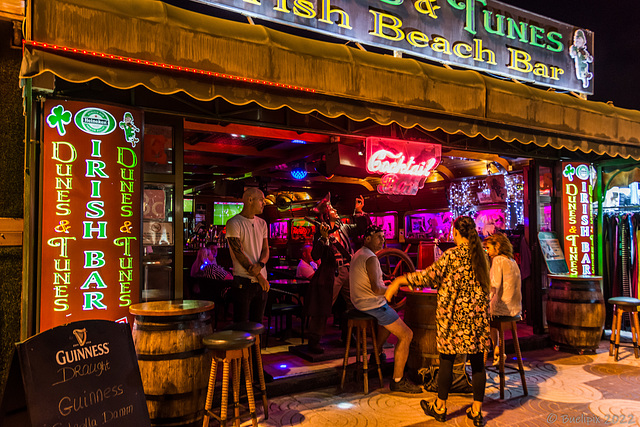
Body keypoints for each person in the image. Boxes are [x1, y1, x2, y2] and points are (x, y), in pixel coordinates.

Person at [390, 216, 490, 426]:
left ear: (455, 233)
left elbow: (427, 277)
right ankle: (477, 411)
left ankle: (440, 407)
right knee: (478, 365)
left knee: (446, 362)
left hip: (453, 319)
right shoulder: (481, 257)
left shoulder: (452, 255)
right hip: (477, 319)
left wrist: (400, 279)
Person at [350, 225, 422, 394]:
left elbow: (374, 285)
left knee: (388, 319)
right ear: (367, 239)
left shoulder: (359, 254)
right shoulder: (371, 258)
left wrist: (387, 286)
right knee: (406, 335)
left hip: (359, 303)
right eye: (378, 237)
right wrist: (394, 288)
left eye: (383, 237)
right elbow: (376, 289)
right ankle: (398, 380)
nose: (383, 240)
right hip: (372, 305)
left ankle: (375, 356)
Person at [304, 193, 370, 353]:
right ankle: (314, 340)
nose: (335, 210)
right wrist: (323, 238)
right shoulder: (321, 231)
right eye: (332, 209)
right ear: (326, 214)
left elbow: (362, 229)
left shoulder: (344, 229)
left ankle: (349, 336)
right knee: (323, 307)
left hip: (349, 270)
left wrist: (359, 212)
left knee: (354, 304)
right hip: (331, 273)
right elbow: (315, 255)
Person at [226, 187, 270, 324]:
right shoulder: (234, 222)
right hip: (243, 281)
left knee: (258, 323)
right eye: (261, 200)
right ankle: (244, 347)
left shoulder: (262, 223)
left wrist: (261, 265)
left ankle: (257, 346)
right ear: (250, 200)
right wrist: (259, 276)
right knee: (241, 326)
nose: (264, 203)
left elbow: (266, 249)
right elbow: (239, 253)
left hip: (262, 281)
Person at [484, 233, 522, 365]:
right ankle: (497, 349)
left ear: (497, 246)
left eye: (488, 248)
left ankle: (493, 349)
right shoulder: (512, 261)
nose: (487, 252)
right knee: (489, 315)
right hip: (515, 309)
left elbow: (494, 285)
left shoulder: (498, 260)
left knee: (482, 314)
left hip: (502, 308)